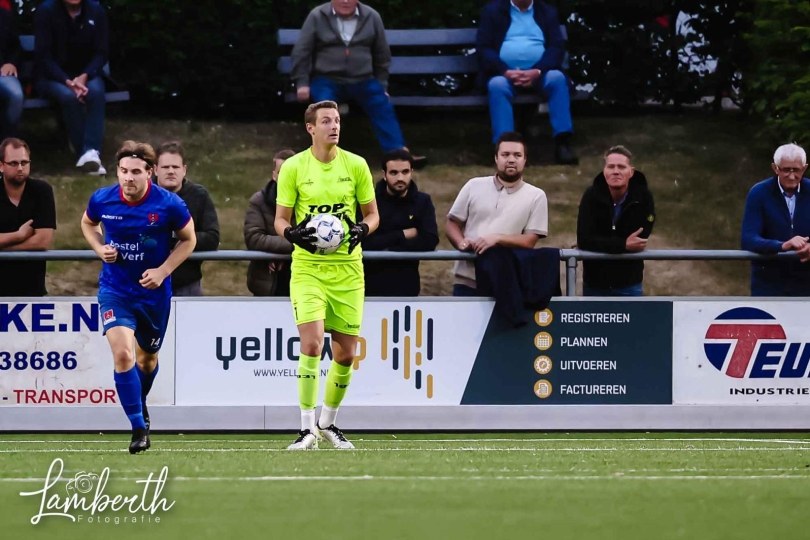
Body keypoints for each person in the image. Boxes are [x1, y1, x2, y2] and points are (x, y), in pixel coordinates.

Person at [274, 100, 378, 450]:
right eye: (326, 121)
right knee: (312, 344)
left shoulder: (356, 165)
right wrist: (291, 234)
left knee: (346, 354)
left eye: (336, 121)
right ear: (310, 128)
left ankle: (328, 423)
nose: (334, 126)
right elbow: (280, 219)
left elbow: (373, 214)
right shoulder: (294, 167)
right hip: (309, 269)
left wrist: (363, 229)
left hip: (348, 271)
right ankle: (306, 429)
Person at [80, 140, 195, 454]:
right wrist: (99, 247)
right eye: (123, 171)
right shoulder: (102, 199)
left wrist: (163, 270)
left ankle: (138, 403)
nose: (128, 178)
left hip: (153, 295)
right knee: (123, 355)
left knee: (147, 359)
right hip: (115, 290)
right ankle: (138, 427)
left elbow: (189, 240)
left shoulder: (169, 204)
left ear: (150, 172)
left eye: (135, 172)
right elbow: (87, 223)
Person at [290, 0, 426, 168]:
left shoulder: (372, 16)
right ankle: (325, 156)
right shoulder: (318, 16)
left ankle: (398, 155)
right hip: (327, 80)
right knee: (325, 109)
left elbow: (382, 54)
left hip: (363, 80)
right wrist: (302, 83)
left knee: (381, 104)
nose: (346, 1)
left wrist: (382, 85)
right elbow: (302, 51)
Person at [446, 131, 548, 295]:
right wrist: (462, 243)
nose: (511, 160)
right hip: (467, 279)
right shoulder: (473, 185)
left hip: (508, 282)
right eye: (505, 154)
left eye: (517, 155)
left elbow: (530, 240)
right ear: (496, 158)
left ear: (525, 160)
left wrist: (497, 238)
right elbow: (452, 223)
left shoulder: (536, 196)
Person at [477, 0, 578, 165]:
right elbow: (484, 48)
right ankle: (505, 148)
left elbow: (556, 47)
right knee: (497, 85)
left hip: (541, 73)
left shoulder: (547, 12)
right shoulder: (493, 11)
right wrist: (505, 70)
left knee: (557, 79)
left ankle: (563, 143)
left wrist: (538, 70)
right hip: (505, 74)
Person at [35, 0, 108, 175]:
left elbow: (102, 52)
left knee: (96, 91)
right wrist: (67, 81)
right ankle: (85, 154)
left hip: (86, 75)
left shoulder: (96, 11)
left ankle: (91, 152)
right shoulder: (46, 11)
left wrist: (85, 75)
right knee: (68, 96)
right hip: (52, 77)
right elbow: (44, 56)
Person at [576, 145, 655, 296]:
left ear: (631, 171)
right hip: (595, 284)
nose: (616, 171)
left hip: (629, 283)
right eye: (611, 166)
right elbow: (585, 240)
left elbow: (638, 240)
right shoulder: (591, 196)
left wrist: (602, 242)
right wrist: (623, 244)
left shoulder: (643, 197)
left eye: (621, 167)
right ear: (604, 170)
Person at [361, 148, 438, 296]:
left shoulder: (423, 202)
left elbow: (430, 240)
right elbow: (363, 242)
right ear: (384, 174)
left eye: (405, 172)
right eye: (394, 173)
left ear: (411, 172)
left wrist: (387, 245)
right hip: (369, 285)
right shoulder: (369, 201)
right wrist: (403, 234)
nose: (400, 178)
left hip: (407, 284)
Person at [741, 143, 810, 296]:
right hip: (768, 287)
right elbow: (748, 239)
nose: (791, 176)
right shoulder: (759, 193)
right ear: (775, 168)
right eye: (786, 170)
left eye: (796, 170)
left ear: (804, 168)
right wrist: (782, 246)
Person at [155, 141, 220, 296]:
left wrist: (181, 238)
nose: (171, 171)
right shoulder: (143, 195)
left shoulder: (199, 196)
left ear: (184, 170)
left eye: (175, 167)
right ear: (155, 169)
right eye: (165, 167)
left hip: (187, 284)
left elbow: (212, 238)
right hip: (146, 282)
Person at [0, 137, 56, 296]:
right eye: (13, 163)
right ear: (1, 166)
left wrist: (4, 250)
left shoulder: (42, 191)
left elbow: (42, 241)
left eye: (24, 162)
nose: (20, 168)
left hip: (32, 291)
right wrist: (18, 235)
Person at [244, 148, 294, 296]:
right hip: (267, 283)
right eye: (282, 172)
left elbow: (317, 238)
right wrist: (292, 244)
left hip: (303, 283)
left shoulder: (311, 200)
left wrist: (278, 250)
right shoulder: (258, 201)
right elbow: (253, 238)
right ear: (274, 175)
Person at [0, 8, 23, 139]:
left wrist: (11, 63)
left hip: (2, 73)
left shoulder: (4, 16)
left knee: (16, 94)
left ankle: (8, 140)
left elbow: (16, 47)